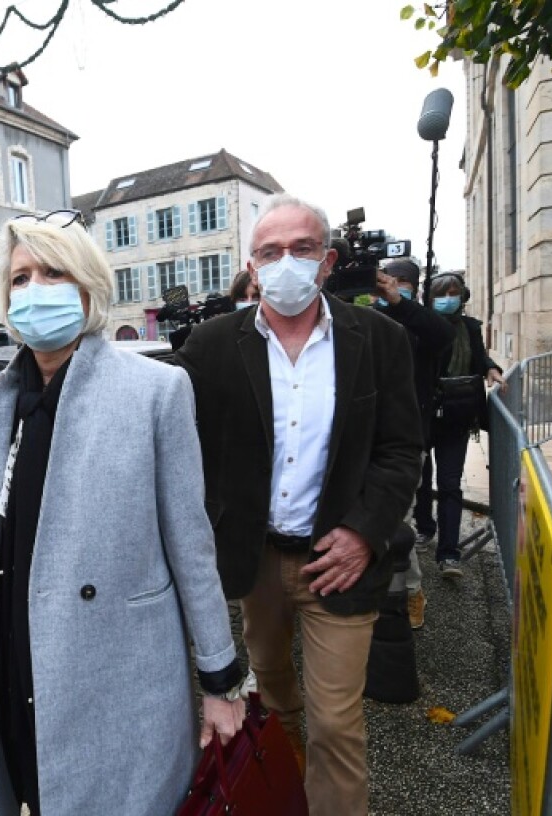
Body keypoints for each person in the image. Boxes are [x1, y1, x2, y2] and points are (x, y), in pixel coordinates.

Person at [0, 210, 245, 816]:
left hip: (122, 673)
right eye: (20, 277)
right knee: (39, 791)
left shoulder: (155, 391)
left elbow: (191, 545)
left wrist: (220, 679)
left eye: (53, 271)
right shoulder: (1, 400)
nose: (34, 288)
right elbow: (1, 537)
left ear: (87, 286)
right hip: (23, 658)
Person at [177, 193, 423, 816]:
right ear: (252, 266)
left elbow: (400, 450)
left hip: (337, 560)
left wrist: (365, 533)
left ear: (328, 259)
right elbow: (175, 445)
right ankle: (289, 798)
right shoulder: (209, 347)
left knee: (335, 722)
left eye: (301, 248)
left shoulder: (379, 339)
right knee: (276, 698)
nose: (285, 261)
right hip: (253, 561)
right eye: (270, 251)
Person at [375, 259, 455, 629]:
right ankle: (380, 590)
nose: (395, 285)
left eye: (403, 282)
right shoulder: (370, 318)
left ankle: (410, 592)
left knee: (398, 519)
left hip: (407, 439)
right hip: (364, 438)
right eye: (390, 280)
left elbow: (443, 335)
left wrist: (400, 303)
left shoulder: (419, 322)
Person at [413, 271, 505, 579]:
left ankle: (449, 554)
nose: (448, 298)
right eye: (442, 293)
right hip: (426, 416)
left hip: (458, 416)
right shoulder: (423, 328)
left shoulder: (470, 328)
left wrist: (491, 368)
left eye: (454, 292)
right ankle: (424, 527)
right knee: (421, 481)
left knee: (451, 485)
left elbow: (479, 357)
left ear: (462, 297)